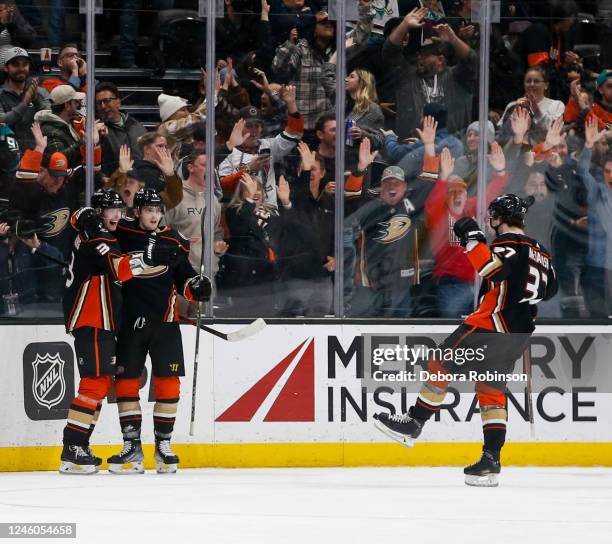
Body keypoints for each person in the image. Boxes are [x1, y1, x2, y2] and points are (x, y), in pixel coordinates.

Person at [374, 193, 558, 487]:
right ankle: (490, 460)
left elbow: (491, 270)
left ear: (499, 218)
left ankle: (414, 422)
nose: (490, 221)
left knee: (440, 362)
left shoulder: (509, 244)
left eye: (492, 216)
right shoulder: (542, 252)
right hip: (519, 333)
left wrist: (473, 237)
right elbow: (549, 291)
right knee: (491, 391)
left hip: (490, 325)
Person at [59, 190, 168, 474]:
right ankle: (72, 448)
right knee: (94, 383)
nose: (117, 215)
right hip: (92, 315)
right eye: (110, 210)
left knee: (100, 382)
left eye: (120, 209)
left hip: (102, 318)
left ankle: (78, 446)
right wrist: (153, 259)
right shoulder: (97, 237)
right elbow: (121, 268)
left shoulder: (98, 233)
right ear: (98, 212)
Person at [107, 188, 211, 474]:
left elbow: (183, 278)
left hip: (165, 323)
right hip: (130, 323)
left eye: (158, 210)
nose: (154, 215)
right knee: (126, 383)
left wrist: (196, 286)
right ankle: (132, 446)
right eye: (148, 210)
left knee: (169, 382)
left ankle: (163, 446)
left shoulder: (174, 240)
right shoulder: (122, 233)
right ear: (137, 211)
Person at [0, 47, 50, 151]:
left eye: (24, 64)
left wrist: (36, 99)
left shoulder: (40, 91)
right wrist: (25, 103)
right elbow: (2, 120)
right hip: (7, 158)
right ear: (6, 68)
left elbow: (50, 117)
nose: (21, 68)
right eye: (15, 65)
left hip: (37, 153)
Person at [95, 82, 147, 177]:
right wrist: (102, 140)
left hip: (141, 181)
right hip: (117, 182)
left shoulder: (136, 126)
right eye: (99, 103)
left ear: (118, 101)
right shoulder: (97, 131)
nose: (103, 106)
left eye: (107, 101)